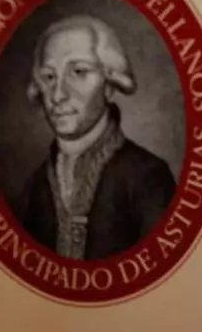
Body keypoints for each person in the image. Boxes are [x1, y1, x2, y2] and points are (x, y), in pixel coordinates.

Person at [20, 15, 176, 260]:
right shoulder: (34, 187)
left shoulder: (148, 178)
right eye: (49, 77)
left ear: (110, 86)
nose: (58, 95)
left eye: (78, 72)